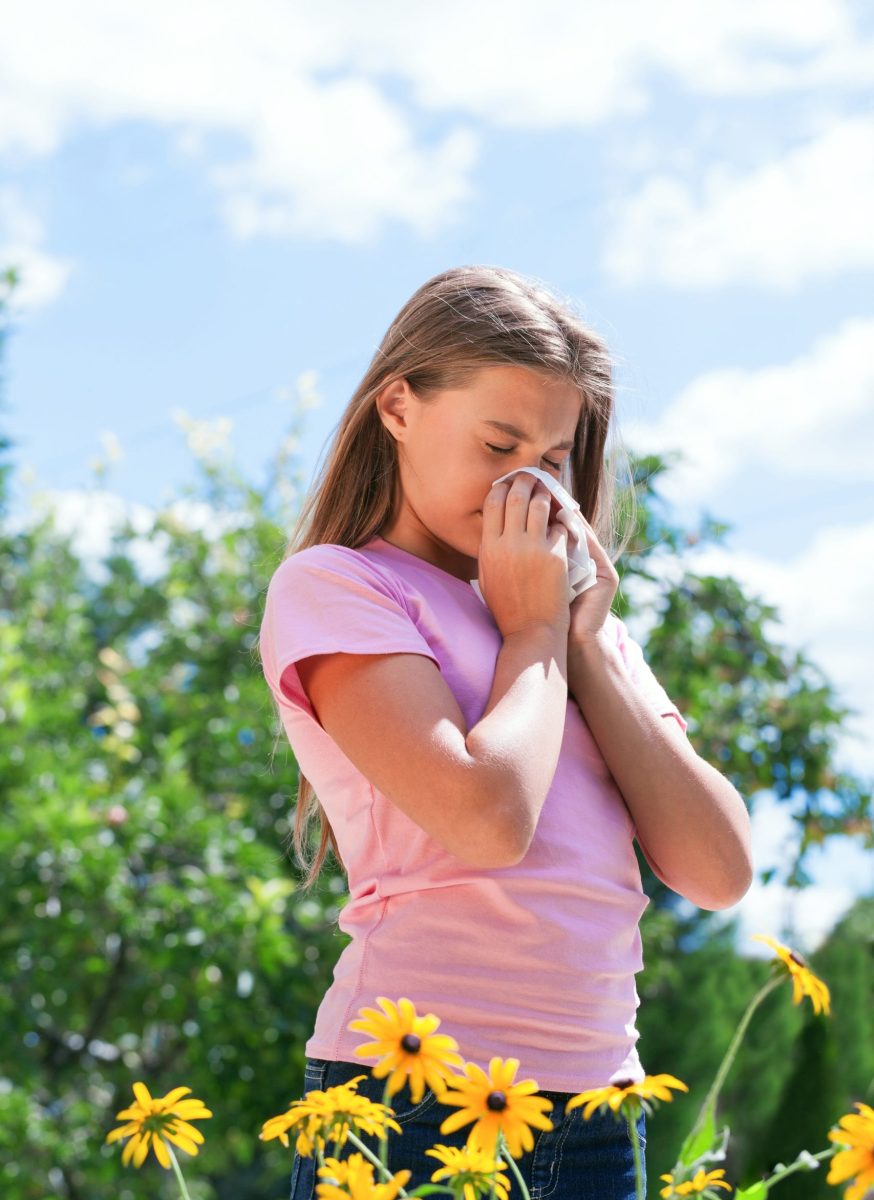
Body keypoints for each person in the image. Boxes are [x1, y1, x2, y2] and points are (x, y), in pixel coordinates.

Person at [257, 265, 753, 1200]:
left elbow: (717, 870)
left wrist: (585, 639)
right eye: (498, 441)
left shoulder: (576, 634)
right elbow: (487, 823)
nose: (526, 478)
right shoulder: (342, 588)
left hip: (602, 1108)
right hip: (413, 1099)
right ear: (397, 407)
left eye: (554, 455)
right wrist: (530, 633)